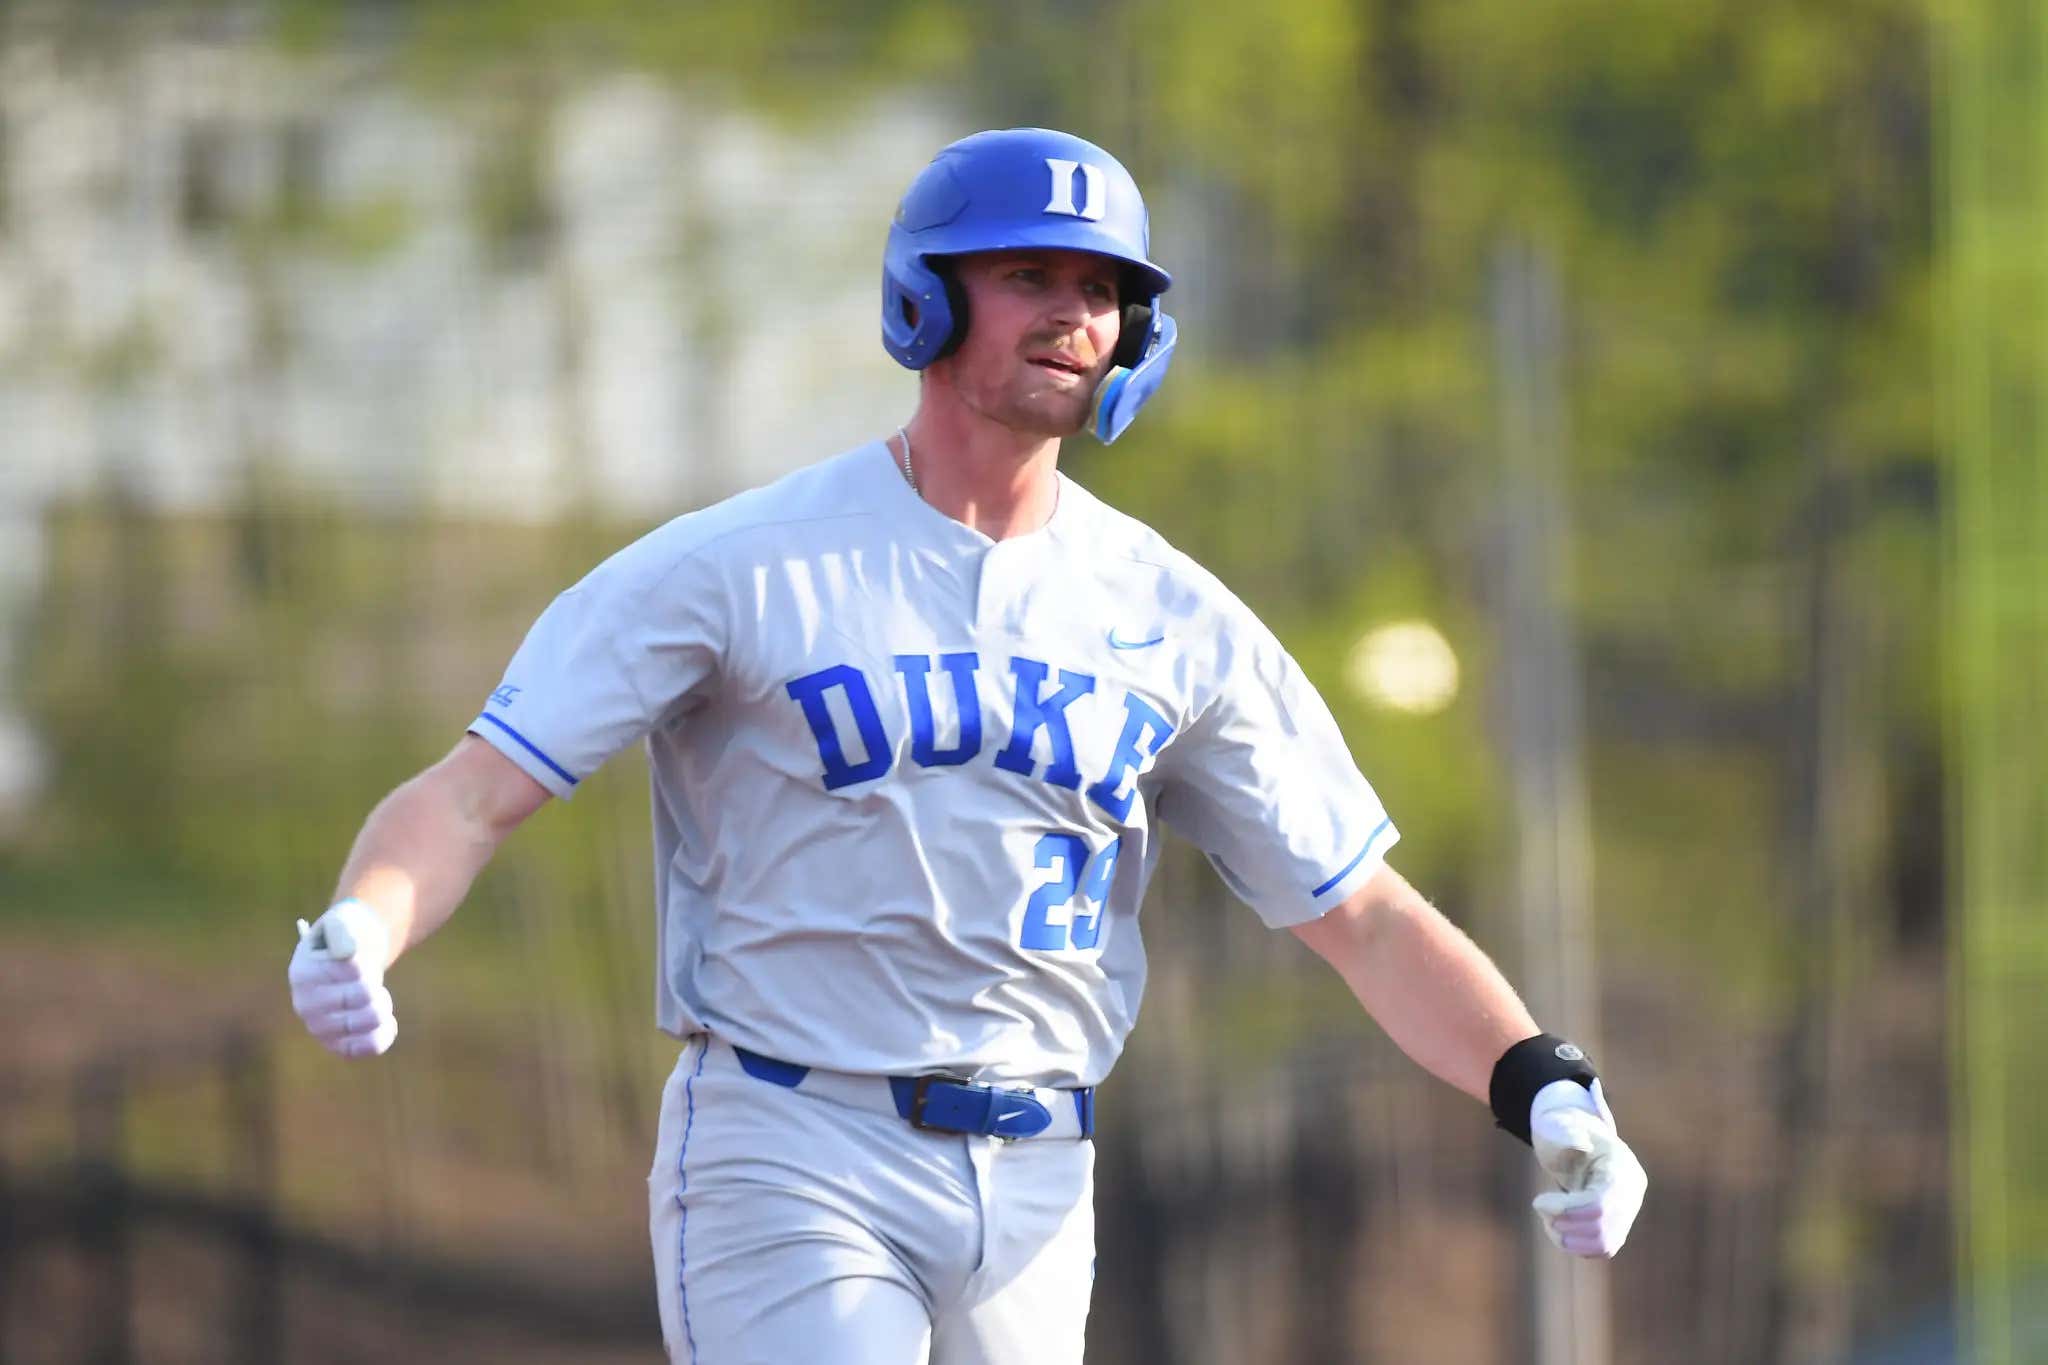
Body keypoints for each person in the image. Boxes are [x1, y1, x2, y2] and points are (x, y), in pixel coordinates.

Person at [287, 127, 1647, 1364]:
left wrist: (1544, 1082)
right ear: (924, 298)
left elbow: (1362, 914)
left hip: (1043, 1172)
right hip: (791, 1137)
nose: (1075, 312)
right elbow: (474, 796)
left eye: (1104, 288)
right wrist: (365, 918)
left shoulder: (1177, 618)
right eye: (1032, 273)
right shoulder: (744, 565)